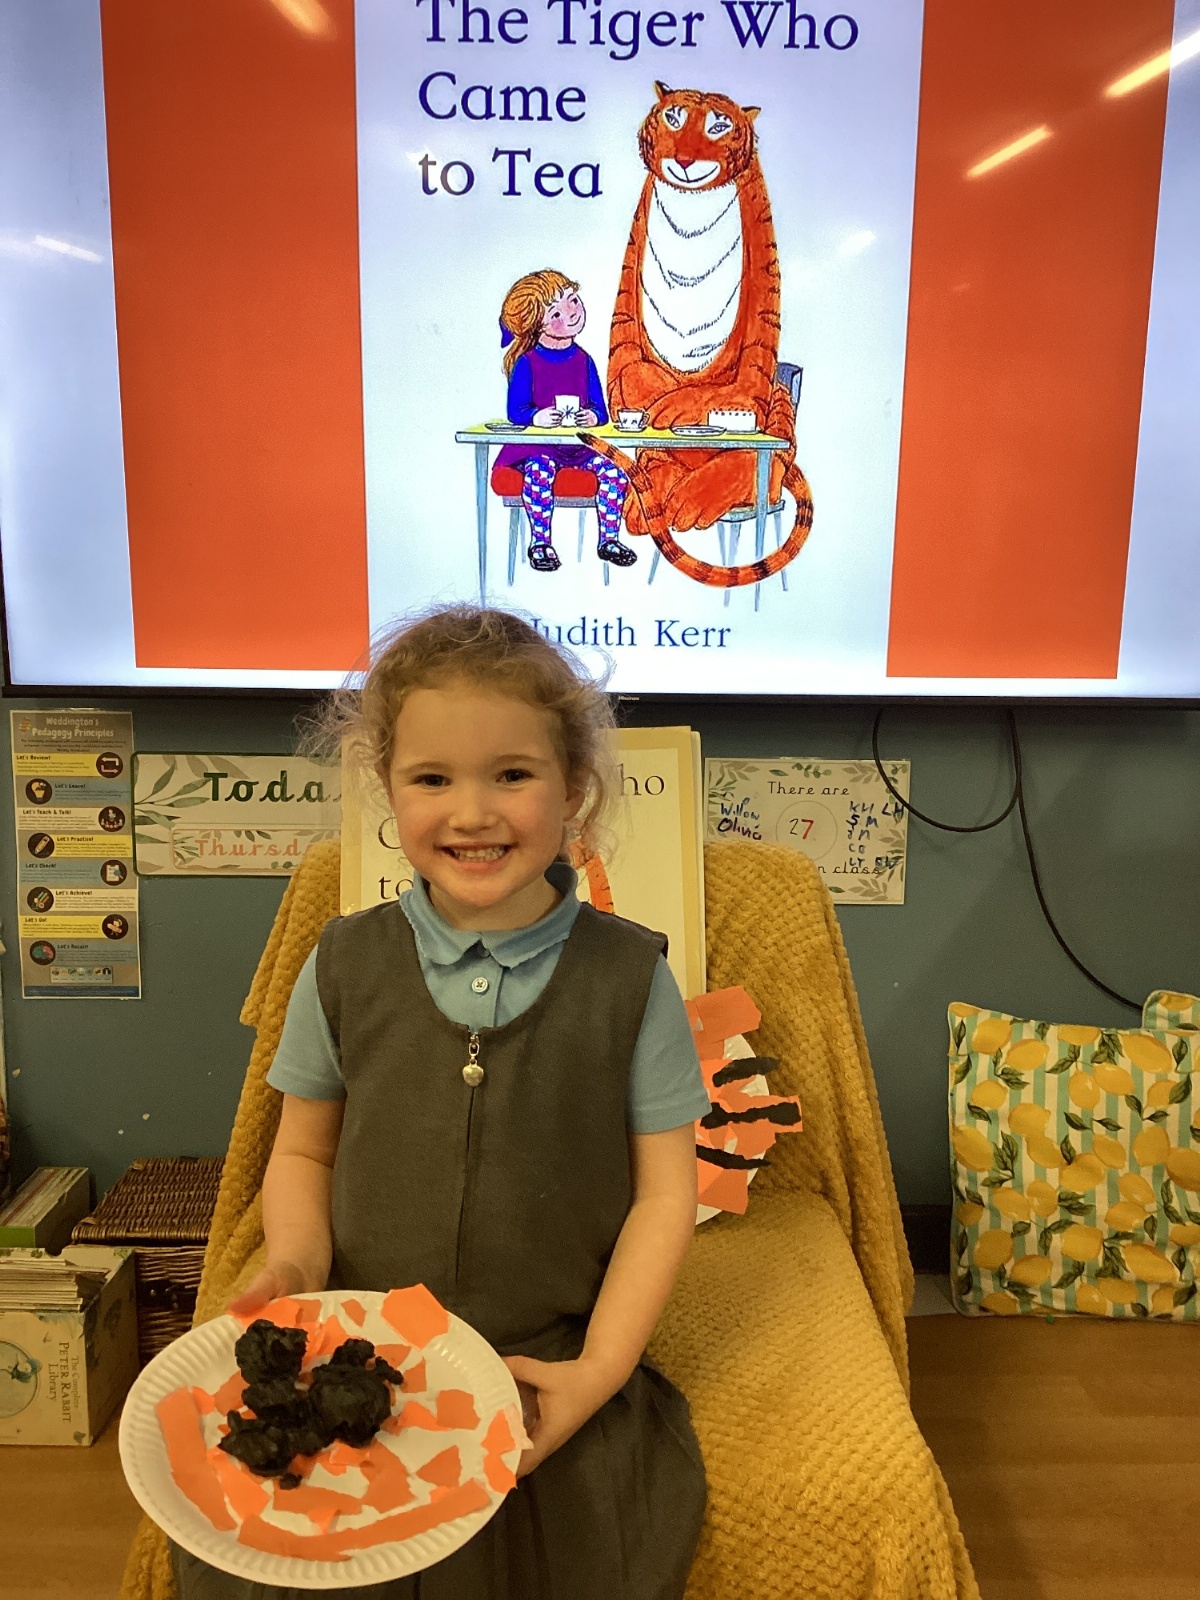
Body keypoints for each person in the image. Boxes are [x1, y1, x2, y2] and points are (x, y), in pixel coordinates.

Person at [169, 606, 708, 1599]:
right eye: (432, 779)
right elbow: (304, 1153)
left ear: (574, 788)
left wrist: (597, 1371)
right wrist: (297, 1264)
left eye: (512, 774)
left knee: (579, 1547)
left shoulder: (632, 979)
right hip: (359, 1348)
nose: (472, 812)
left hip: (542, 1353)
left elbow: (665, 1196)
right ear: (388, 788)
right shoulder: (342, 962)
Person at [496, 271, 637, 573]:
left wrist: (593, 416)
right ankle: (540, 543)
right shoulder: (527, 362)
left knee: (614, 473)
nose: (571, 312)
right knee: (539, 471)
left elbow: (600, 409)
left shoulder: (584, 360)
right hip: (540, 448)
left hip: (580, 448)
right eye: (556, 313)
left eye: (572, 300)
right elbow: (515, 411)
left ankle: (609, 540)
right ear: (537, 325)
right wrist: (537, 417)